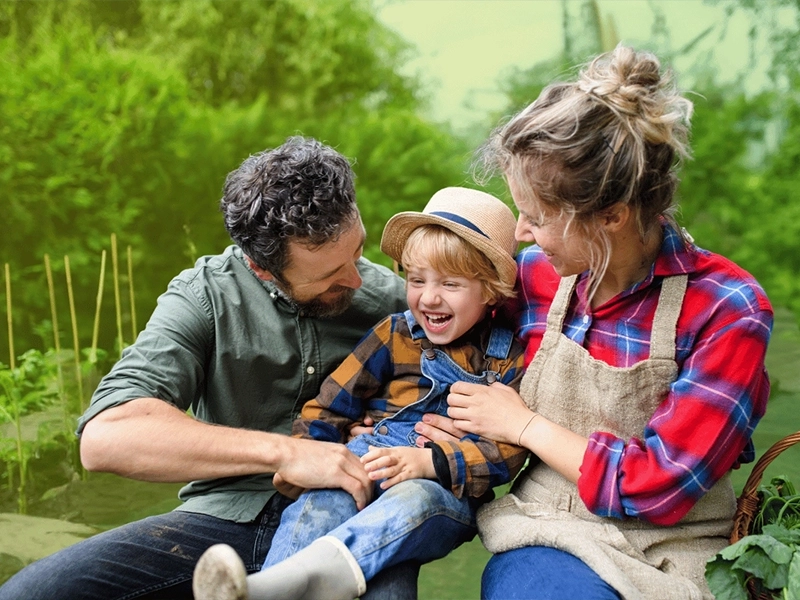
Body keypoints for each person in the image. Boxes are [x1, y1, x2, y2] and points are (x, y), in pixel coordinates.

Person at [414, 45, 774, 600]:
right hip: (546, 535)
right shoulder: (532, 278)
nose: (523, 235)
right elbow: (438, 326)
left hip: (673, 551)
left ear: (611, 216)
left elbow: (660, 489)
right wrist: (423, 417)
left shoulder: (727, 309)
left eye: (537, 218)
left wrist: (523, 425)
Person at [0, 136, 417, 600]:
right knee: (31, 593)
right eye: (328, 277)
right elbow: (107, 437)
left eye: (356, 252)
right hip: (220, 521)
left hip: (352, 525)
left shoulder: (402, 306)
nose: (357, 280)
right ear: (262, 268)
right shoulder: (204, 295)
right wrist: (287, 453)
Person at [191, 187, 529, 600]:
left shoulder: (505, 359)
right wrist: (304, 456)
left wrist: (430, 461)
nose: (429, 296)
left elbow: (508, 452)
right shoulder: (392, 335)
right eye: (416, 279)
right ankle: (269, 587)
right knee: (321, 500)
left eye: (451, 284)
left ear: (491, 290)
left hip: (440, 493)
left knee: (415, 498)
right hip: (367, 463)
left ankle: (321, 575)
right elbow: (330, 405)